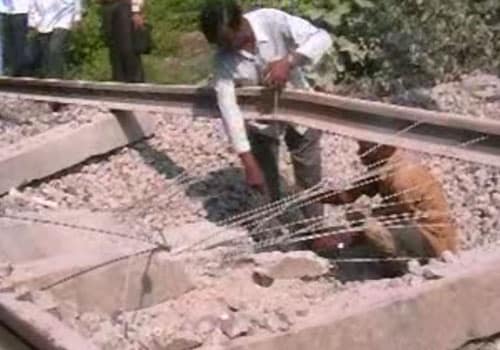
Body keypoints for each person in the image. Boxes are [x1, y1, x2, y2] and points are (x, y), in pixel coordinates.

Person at [199, 0, 332, 231]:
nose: (226, 48)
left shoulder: (272, 20)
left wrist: (289, 62)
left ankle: (315, 231)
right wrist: (247, 163)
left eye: (228, 40)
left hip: (297, 108)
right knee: (264, 180)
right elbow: (229, 110)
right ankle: (275, 236)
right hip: (260, 119)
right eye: (220, 44)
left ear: (239, 22)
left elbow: (322, 38)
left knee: (308, 172)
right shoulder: (223, 59)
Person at [312, 140, 458, 260]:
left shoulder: (402, 177)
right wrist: (312, 196)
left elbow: (399, 215)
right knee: (362, 222)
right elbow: (349, 195)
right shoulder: (382, 166)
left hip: (431, 238)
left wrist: (362, 222)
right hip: (410, 226)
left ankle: (403, 266)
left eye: (364, 148)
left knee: (371, 228)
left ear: (380, 150)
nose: (359, 153)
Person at [28, 0, 82, 79]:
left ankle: (57, 79)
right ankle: (48, 79)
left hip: (64, 17)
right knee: (46, 54)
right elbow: (32, 4)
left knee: (55, 48)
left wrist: (77, 16)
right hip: (43, 20)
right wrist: (32, 22)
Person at [99, 0, 146, 82]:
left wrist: (136, 11)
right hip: (107, 5)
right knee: (113, 46)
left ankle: (134, 78)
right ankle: (118, 77)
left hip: (124, 6)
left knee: (127, 45)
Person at [1, 0, 30, 76]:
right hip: (5, 11)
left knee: (19, 45)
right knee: (6, 44)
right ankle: (7, 71)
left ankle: (19, 72)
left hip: (20, 11)